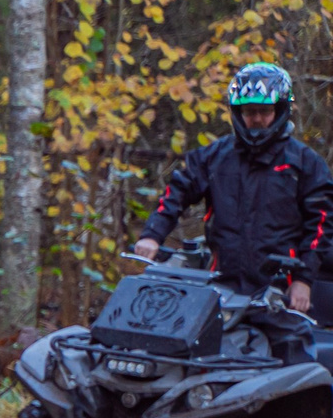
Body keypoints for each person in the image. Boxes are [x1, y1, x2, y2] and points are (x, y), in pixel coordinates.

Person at [135, 62, 333, 335]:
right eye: (250, 112)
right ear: (238, 113)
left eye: (265, 111)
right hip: (221, 285)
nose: (257, 119)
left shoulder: (305, 163)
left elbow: (321, 225)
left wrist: (303, 280)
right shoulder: (215, 157)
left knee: (288, 366)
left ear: (279, 111)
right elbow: (177, 191)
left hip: (281, 292)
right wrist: (153, 235)